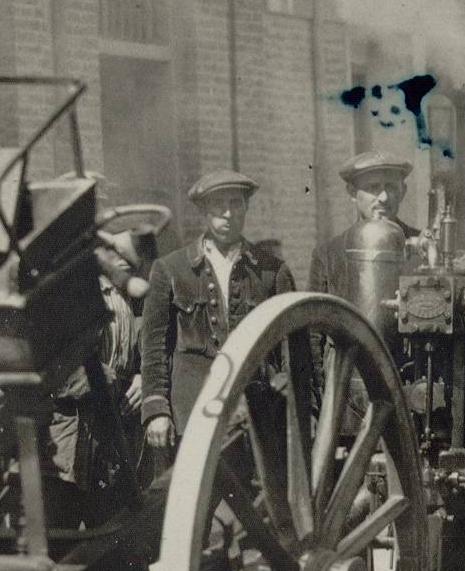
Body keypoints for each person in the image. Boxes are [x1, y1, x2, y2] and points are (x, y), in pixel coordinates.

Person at [141, 171, 296, 443]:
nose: (228, 214)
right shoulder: (170, 269)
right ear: (203, 211)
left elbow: (292, 348)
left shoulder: (272, 271)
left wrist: (294, 403)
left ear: (246, 207)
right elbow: (154, 347)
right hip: (191, 414)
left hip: (260, 414)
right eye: (218, 206)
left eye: (236, 204)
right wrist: (156, 410)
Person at [309, 150, 418, 296]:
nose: (384, 198)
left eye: (391, 187)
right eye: (373, 187)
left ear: (402, 191)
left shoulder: (423, 248)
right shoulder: (328, 256)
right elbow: (315, 315)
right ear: (352, 192)